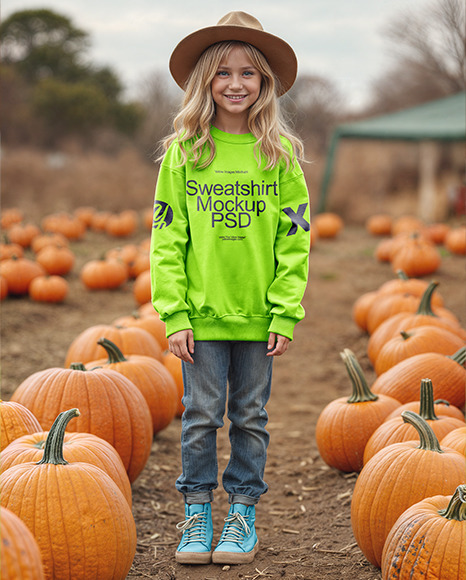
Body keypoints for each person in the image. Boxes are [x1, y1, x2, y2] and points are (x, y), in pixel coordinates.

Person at [150, 11, 310, 566]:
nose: (236, 83)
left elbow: (295, 240)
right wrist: (174, 314)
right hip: (201, 317)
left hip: (258, 319)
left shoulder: (280, 156)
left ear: (264, 83)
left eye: (249, 73)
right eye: (223, 73)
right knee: (199, 416)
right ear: (205, 83)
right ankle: (197, 513)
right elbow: (167, 240)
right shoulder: (185, 153)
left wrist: (285, 312)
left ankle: (242, 512)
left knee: (249, 417)